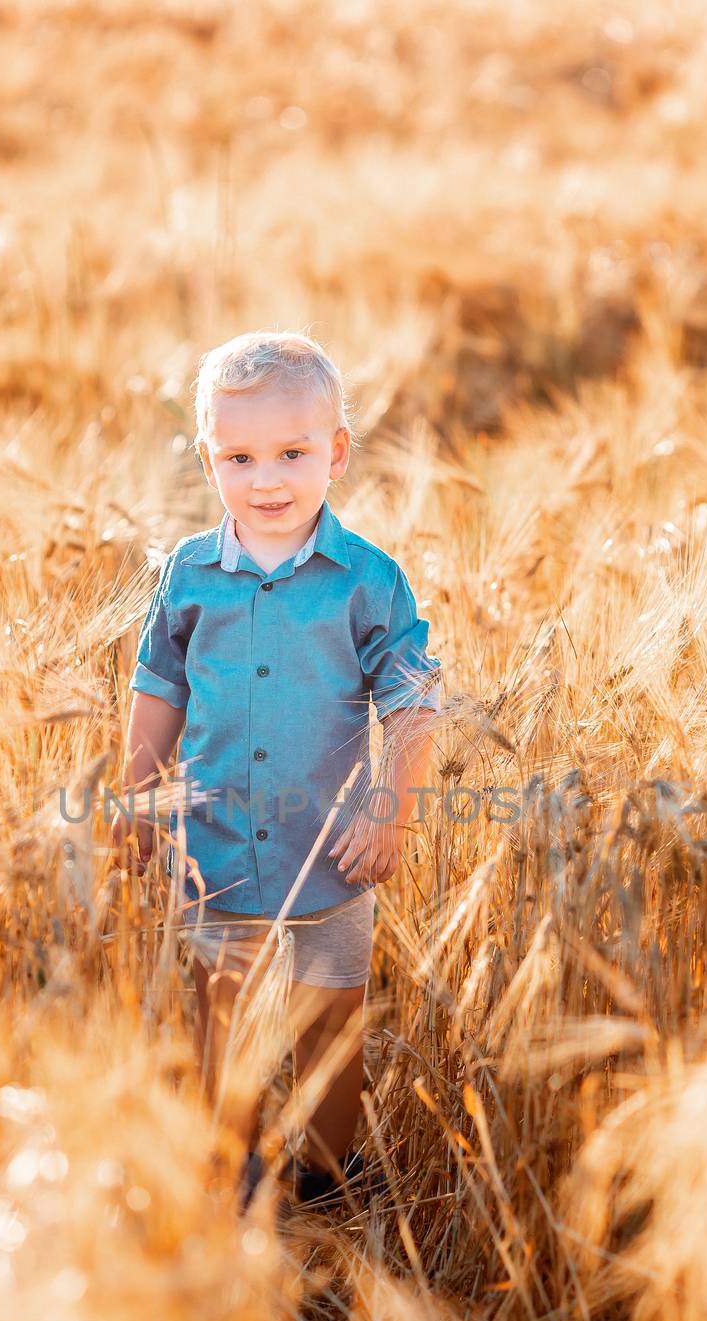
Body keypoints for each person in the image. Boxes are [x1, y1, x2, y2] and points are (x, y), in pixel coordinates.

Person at [112, 330, 441, 1214]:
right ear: (207, 459)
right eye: (240, 456)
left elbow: (411, 702)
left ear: (335, 453)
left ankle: (329, 1177)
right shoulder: (187, 574)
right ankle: (234, 1170)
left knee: (330, 1027)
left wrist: (389, 809)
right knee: (221, 1017)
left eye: (292, 453)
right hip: (215, 849)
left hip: (332, 853)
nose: (266, 480)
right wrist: (139, 796)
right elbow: (158, 688)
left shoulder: (367, 580)